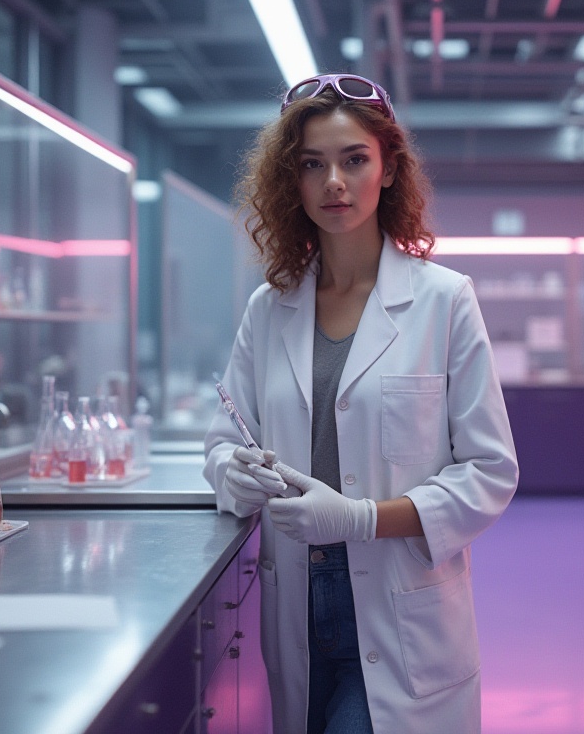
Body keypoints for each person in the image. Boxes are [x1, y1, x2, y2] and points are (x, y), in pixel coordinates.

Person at [203, 74, 518, 734]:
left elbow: (489, 473)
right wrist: (230, 470)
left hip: (401, 605)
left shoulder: (443, 299)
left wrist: (362, 519)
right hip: (294, 597)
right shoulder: (271, 308)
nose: (334, 184)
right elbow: (225, 435)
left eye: (354, 160)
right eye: (312, 165)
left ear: (389, 166)